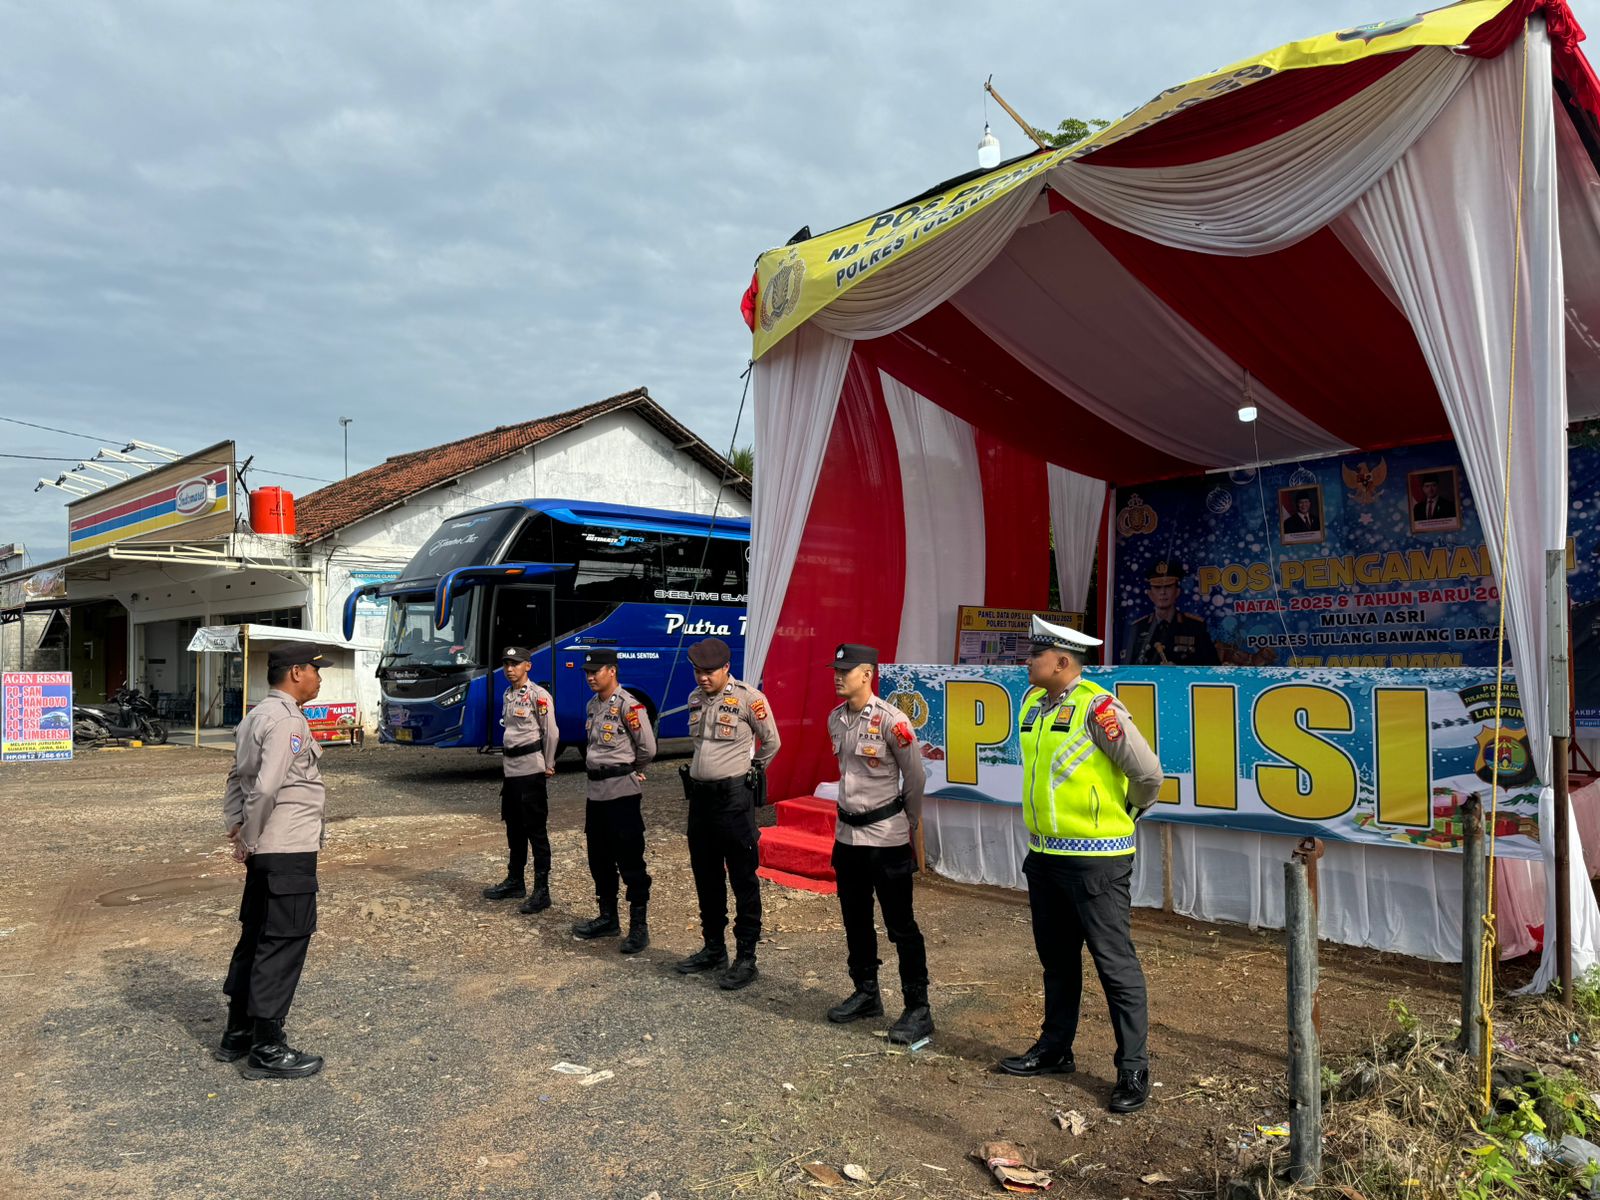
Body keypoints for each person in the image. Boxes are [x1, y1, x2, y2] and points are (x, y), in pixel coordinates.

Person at [1000, 616, 1165, 1114]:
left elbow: (1149, 775)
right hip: (1046, 856)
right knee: (1057, 961)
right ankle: (1055, 1049)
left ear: (1062, 662)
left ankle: (1133, 1068)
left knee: (1114, 965)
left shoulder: (1100, 708)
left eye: (1035, 654)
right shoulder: (1032, 703)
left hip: (1098, 862)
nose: (1027, 662)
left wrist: (1126, 814)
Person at [217, 642, 330, 1081]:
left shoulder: (255, 715)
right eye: (317, 671)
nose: (320, 679)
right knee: (283, 940)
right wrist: (248, 834)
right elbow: (265, 789)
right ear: (297, 673)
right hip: (286, 847)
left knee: (257, 935)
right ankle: (266, 1045)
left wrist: (236, 824)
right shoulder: (286, 721)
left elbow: (236, 779)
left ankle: (237, 1033)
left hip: (268, 850)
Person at [824, 643, 932, 1045]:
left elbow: (915, 778)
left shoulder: (892, 721)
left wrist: (911, 820)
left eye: (846, 670)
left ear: (867, 674)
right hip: (847, 837)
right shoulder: (836, 719)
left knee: (900, 925)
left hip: (885, 839)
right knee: (855, 918)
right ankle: (867, 992)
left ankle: (918, 1007)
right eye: (836, 669)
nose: (838, 676)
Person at [675, 636, 781, 990]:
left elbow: (772, 741)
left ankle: (746, 956)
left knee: (742, 878)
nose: (702, 678)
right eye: (698, 672)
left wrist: (752, 771)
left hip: (734, 801)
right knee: (706, 876)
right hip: (701, 802)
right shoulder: (694, 699)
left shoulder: (750, 698)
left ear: (726, 668)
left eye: (709, 672)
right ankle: (713, 948)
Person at [572, 648, 657, 952]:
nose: (590, 677)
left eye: (595, 671)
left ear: (612, 671)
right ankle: (608, 918)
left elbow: (647, 747)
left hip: (622, 793)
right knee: (599, 859)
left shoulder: (629, 706)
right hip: (595, 794)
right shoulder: (593, 706)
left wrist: (633, 770)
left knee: (630, 860)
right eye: (587, 673)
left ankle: (638, 927)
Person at [482, 646, 560, 913]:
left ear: (528, 665)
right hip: (512, 772)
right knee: (514, 828)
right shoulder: (508, 694)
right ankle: (515, 881)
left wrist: (548, 764)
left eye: (515, 664)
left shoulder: (539, 696)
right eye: (506, 664)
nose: (509, 668)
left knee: (535, 831)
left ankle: (542, 890)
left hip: (531, 770)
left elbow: (551, 733)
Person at [1122, 561, 1219, 666]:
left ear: (1177, 591)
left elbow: (1212, 667)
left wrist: (1179, 671)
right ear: (1150, 594)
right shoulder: (1138, 628)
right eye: (1157, 587)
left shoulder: (1195, 627)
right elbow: (1128, 669)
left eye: (1168, 586)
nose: (1162, 592)